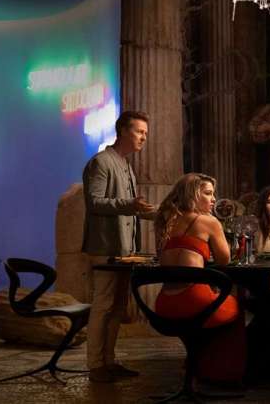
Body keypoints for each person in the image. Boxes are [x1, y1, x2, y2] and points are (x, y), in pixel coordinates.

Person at [82, 110, 156, 382]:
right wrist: (130, 205)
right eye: (139, 132)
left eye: (145, 133)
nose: (143, 138)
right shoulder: (101, 162)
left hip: (124, 250)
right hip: (105, 248)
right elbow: (94, 202)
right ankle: (95, 366)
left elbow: (130, 208)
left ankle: (109, 362)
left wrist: (161, 212)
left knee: (117, 307)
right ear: (123, 131)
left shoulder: (125, 165)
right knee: (103, 305)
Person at [153, 173, 244, 383]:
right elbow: (224, 260)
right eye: (208, 193)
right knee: (236, 306)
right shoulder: (209, 221)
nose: (214, 199)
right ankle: (222, 372)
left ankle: (196, 361)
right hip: (193, 302)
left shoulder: (166, 219)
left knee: (201, 314)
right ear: (193, 195)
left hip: (164, 305)